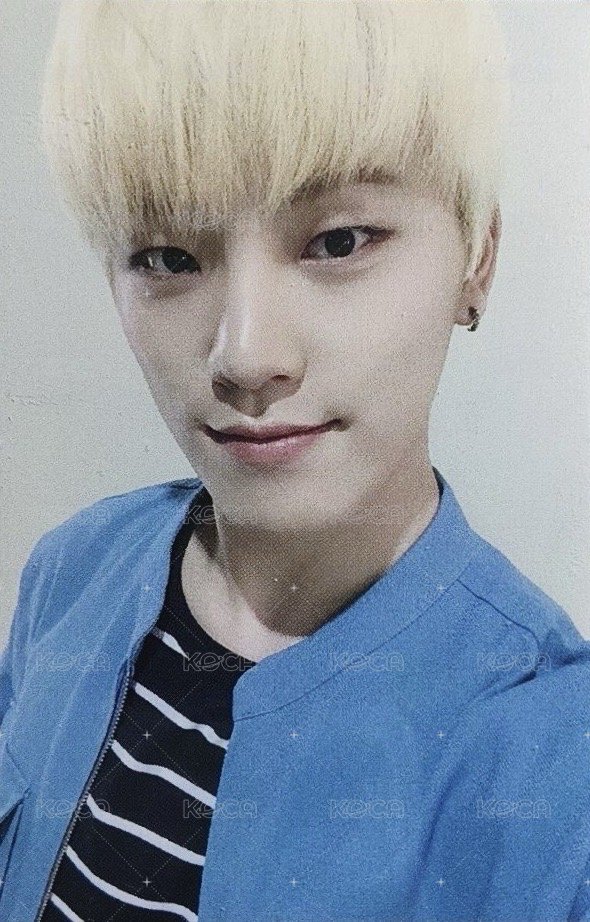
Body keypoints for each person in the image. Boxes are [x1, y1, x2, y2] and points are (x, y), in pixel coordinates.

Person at [1, 1, 589, 920]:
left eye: (339, 241)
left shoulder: (553, 755)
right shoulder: (71, 572)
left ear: (477, 258)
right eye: (166, 257)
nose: (246, 355)